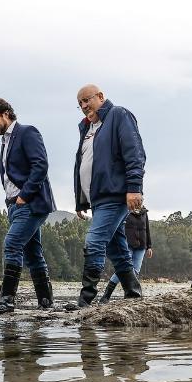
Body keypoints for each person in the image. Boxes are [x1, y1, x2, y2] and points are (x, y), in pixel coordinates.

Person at [0, 96, 57, 313]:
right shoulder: (5, 141)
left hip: (29, 203)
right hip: (14, 205)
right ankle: (46, 302)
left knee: (12, 245)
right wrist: (11, 201)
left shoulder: (27, 132)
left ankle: (6, 301)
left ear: (6, 113)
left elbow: (40, 165)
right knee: (32, 253)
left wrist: (24, 196)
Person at [70, 84, 146, 309]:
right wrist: (80, 200)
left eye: (88, 100)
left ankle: (86, 299)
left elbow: (135, 152)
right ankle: (134, 295)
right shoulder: (87, 128)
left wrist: (134, 188)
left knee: (93, 243)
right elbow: (84, 165)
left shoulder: (118, 115)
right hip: (97, 199)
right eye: (80, 103)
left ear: (101, 97)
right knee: (117, 249)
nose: (84, 106)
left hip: (114, 194)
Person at [100, 207, 153, 303]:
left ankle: (130, 294)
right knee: (123, 269)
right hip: (127, 244)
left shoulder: (144, 213)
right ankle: (106, 295)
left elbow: (147, 230)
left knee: (135, 271)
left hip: (141, 246)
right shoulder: (125, 210)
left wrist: (149, 246)